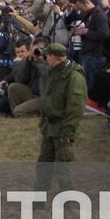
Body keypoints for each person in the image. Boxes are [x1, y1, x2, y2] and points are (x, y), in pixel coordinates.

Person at [36, 42, 86, 195]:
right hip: (49, 127)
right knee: (44, 165)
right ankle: (38, 199)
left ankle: (68, 201)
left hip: (62, 128)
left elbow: (75, 108)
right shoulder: (55, 72)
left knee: (63, 168)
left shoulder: (73, 77)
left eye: (47, 57)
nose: (46, 60)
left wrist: (68, 133)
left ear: (54, 57)